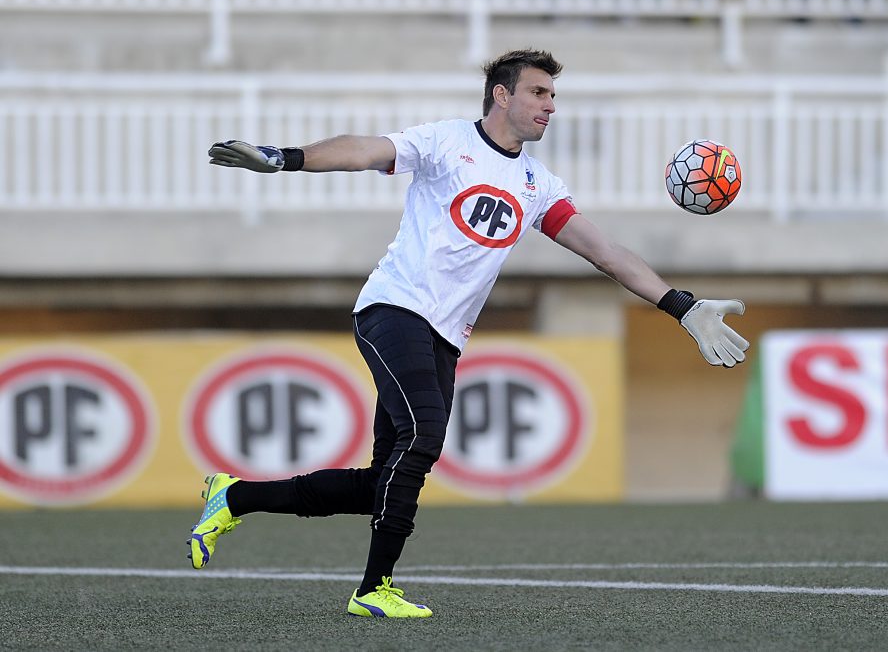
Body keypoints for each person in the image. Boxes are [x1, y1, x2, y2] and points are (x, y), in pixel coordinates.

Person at [193, 48, 749, 619]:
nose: (550, 106)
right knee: (424, 437)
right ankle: (372, 589)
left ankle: (234, 497)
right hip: (394, 308)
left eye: (554, 96)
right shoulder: (446, 142)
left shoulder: (537, 184)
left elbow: (605, 252)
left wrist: (681, 306)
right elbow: (364, 149)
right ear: (502, 95)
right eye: (538, 93)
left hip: (444, 335)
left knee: (380, 483)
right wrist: (286, 157)